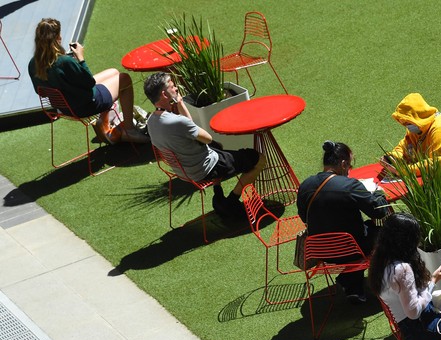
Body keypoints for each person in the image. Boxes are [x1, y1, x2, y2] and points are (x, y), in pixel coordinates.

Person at [143, 72, 265, 221]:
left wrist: (180, 103)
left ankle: (219, 196)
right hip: (205, 168)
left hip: (184, 171)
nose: (176, 88)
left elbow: (189, 130)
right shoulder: (177, 122)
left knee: (218, 149)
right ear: (164, 94)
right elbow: (207, 138)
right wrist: (182, 108)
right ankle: (231, 201)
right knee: (258, 159)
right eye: (172, 86)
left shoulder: (151, 122)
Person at [28, 18, 148, 144]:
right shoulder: (64, 62)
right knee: (124, 79)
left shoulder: (33, 63)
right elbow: (89, 82)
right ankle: (129, 129)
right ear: (58, 38)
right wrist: (80, 58)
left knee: (113, 72)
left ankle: (104, 121)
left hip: (65, 107)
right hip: (86, 105)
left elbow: (41, 92)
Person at [297, 141, 389, 303]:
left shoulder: (305, 185)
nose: (349, 170)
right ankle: (389, 283)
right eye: (350, 166)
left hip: (320, 251)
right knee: (387, 232)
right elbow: (379, 211)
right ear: (343, 163)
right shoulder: (349, 185)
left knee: (356, 233)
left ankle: (353, 286)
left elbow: (304, 218)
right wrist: (379, 193)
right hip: (351, 249)